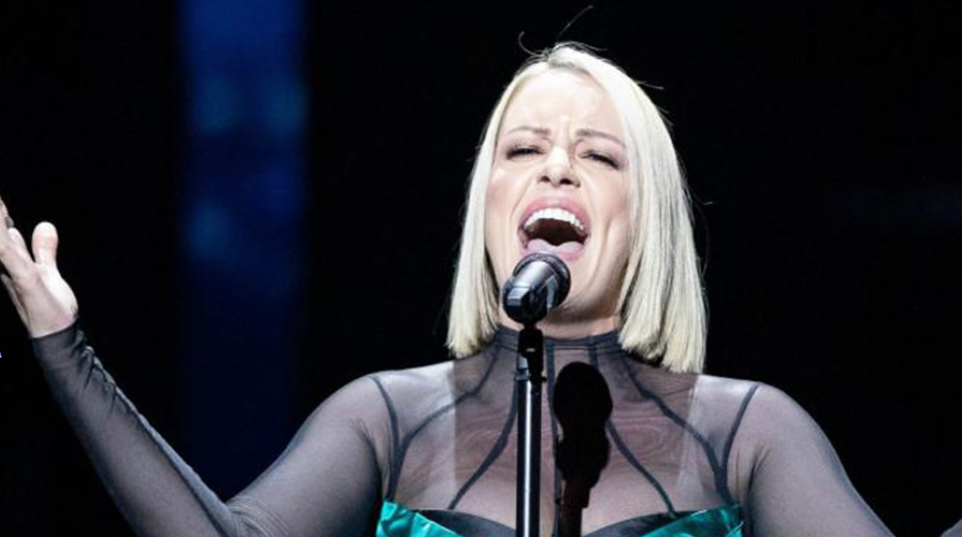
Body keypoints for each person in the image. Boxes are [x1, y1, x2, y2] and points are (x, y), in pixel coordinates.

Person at [0, 44, 954, 537]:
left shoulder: (746, 430)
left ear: (648, 218)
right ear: (487, 200)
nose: (557, 169)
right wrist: (63, 343)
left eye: (598, 156)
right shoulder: (386, 417)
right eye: (524, 149)